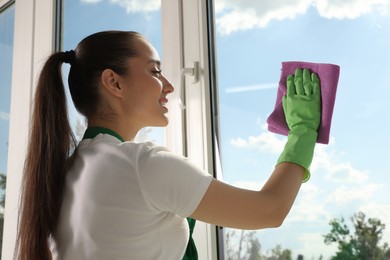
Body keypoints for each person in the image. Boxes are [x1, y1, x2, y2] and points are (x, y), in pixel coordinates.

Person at [15, 30, 321, 260]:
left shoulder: (66, 172)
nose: (169, 86)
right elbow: (268, 211)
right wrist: (303, 132)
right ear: (114, 82)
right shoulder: (142, 165)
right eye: (154, 70)